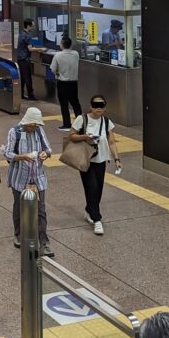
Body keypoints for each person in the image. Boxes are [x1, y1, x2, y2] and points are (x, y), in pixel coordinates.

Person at [66, 94, 122, 235]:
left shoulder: (107, 122)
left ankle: (88, 210)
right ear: (91, 106)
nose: (99, 108)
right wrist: (85, 137)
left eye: (101, 105)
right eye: (96, 105)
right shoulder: (82, 119)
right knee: (92, 187)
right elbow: (71, 135)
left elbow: (112, 142)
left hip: (101, 159)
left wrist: (117, 159)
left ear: (105, 107)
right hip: (85, 159)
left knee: (98, 190)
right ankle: (97, 220)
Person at [4, 107, 54, 256]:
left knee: (41, 210)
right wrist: (22, 156)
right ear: (26, 122)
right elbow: (8, 153)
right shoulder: (15, 132)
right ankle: (19, 235)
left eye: (36, 125)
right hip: (20, 177)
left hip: (37, 176)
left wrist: (45, 154)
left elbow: (48, 148)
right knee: (19, 206)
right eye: (32, 125)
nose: (34, 128)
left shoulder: (39, 130)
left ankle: (44, 243)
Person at [51, 36, 81, 132]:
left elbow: (53, 69)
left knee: (64, 104)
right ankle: (81, 123)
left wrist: (57, 74)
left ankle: (67, 124)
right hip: (74, 83)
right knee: (75, 103)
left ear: (62, 45)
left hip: (63, 83)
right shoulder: (76, 54)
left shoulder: (58, 55)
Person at [17, 20, 37, 101]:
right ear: (28, 26)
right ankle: (30, 95)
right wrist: (41, 49)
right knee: (28, 78)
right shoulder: (27, 36)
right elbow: (30, 48)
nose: (33, 27)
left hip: (20, 59)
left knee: (22, 78)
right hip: (25, 59)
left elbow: (28, 42)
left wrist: (40, 43)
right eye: (32, 26)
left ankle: (21, 94)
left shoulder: (22, 33)